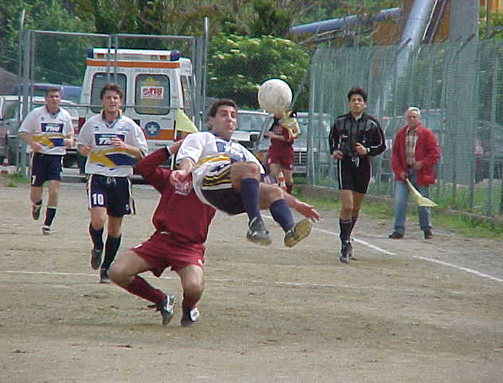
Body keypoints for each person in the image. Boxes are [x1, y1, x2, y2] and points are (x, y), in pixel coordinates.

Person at [109, 141, 321, 326]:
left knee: (193, 288)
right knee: (117, 272)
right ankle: (162, 300)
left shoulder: (215, 187)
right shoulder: (172, 178)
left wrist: (295, 203)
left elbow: (263, 190)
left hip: (189, 246)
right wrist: (174, 147)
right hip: (160, 240)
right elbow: (143, 167)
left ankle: (188, 307)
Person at [170, 98, 320, 247]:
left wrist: (297, 204)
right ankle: (256, 224)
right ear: (211, 121)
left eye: (233, 116)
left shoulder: (241, 150)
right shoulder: (201, 137)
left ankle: (290, 230)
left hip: (233, 197)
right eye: (223, 114)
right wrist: (183, 171)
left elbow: (258, 181)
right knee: (251, 168)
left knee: (274, 190)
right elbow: (189, 157)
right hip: (209, 182)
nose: (229, 118)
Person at [77, 83, 148, 283]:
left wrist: (126, 147)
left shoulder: (129, 125)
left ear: (121, 102)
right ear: (102, 101)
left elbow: (143, 152)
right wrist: (83, 149)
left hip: (120, 178)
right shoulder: (92, 123)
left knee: (115, 228)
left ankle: (106, 268)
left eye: (115, 98)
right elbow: (80, 144)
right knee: (98, 219)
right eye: (108, 98)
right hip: (97, 175)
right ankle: (97, 246)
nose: (112, 102)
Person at [328, 86, 386, 263]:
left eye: (360, 100)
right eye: (353, 100)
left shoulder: (372, 124)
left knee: (355, 208)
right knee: (347, 205)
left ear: (365, 104)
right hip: (345, 164)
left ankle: (347, 235)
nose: (356, 103)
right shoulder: (340, 122)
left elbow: (381, 145)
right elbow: (332, 139)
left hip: (363, 166)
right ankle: (344, 243)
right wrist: (335, 151)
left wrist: (366, 150)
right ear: (348, 103)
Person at [18, 87, 74, 235]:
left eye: (56, 96)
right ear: (46, 99)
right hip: (40, 157)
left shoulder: (65, 116)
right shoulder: (37, 114)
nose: (54, 99)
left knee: (54, 190)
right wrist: (32, 143)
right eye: (51, 97)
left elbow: (70, 134)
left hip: (56, 156)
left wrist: (69, 141)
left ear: (60, 99)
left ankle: (47, 223)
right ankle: (37, 204)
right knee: (35, 192)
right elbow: (23, 132)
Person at [389, 107, 440, 240]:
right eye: (409, 117)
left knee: (422, 202)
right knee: (400, 202)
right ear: (406, 119)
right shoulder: (400, 134)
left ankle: (426, 229)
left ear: (419, 119)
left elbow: (434, 154)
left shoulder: (427, 134)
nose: (412, 119)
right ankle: (398, 229)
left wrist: (422, 163)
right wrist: (399, 171)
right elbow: (394, 155)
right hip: (404, 173)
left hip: (421, 173)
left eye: (414, 117)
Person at [264, 111, 299, 194]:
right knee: (273, 174)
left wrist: (274, 136)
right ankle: (275, 195)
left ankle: (288, 193)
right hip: (275, 150)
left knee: (288, 179)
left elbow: (289, 138)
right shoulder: (275, 123)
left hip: (286, 151)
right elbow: (268, 134)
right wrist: (269, 134)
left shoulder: (289, 123)